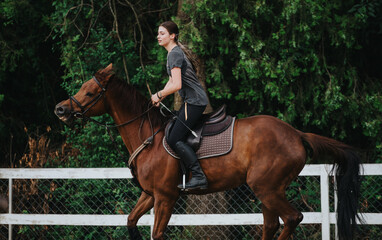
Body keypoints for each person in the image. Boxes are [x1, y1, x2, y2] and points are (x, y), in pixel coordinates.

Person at [151, 21, 209, 190]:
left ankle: (199, 176)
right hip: (191, 101)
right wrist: (159, 96)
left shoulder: (174, 54)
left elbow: (177, 85)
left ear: (172, 36)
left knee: (173, 138)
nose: (158, 36)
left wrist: (160, 94)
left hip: (194, 102)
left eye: (162, 33)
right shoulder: (173, 53)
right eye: (158, 33)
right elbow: (171, 81)